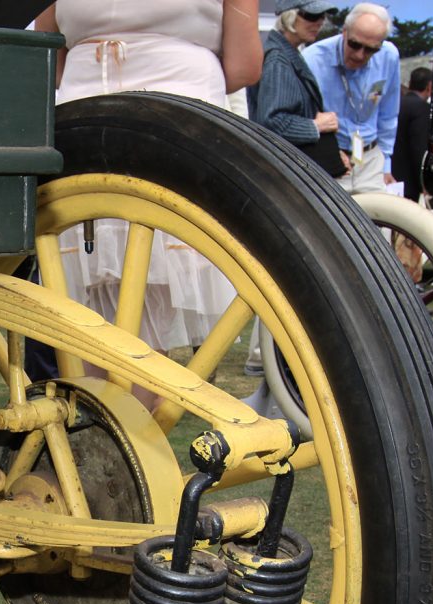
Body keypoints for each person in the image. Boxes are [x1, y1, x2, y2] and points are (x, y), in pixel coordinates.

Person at [32, 0, 261, 359]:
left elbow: (47, 50)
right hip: (173, 118)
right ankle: (119, 396)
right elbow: (243, 66)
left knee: (96, 289)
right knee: (147, 293)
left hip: (87, 116)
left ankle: (110, 395)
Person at [302, 3, 401, 194]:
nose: (360, 55)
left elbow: (389, 113)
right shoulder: (312, 60)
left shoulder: (389, 56)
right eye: (355, 44)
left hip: (370, 158)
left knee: (376, 221)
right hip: (330, 159)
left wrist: (386, 163)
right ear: (344, 32)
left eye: (371, 49)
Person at [248, 0, 339, 156]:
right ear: (288, 17)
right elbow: (272, 123)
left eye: (322, 16)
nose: (320, 22)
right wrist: (316, 126)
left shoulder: (287, 52)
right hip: (281, 163)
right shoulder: (277, 60)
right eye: (312, 16)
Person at [393, 66, 432, 202]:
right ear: (429, 87)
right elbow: (418, 147)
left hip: (389, 174)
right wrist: (424, 182)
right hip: (408, 181)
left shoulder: (397, 103)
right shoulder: (422, 108)